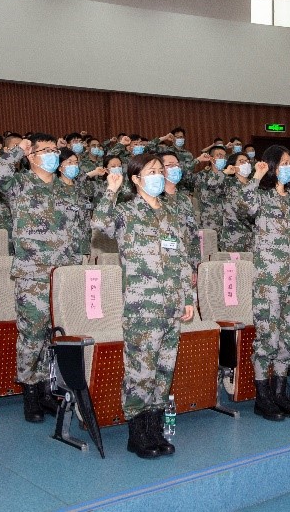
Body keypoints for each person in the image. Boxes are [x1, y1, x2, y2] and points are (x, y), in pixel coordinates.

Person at [92, 153, 195, 458]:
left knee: (164, 369)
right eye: (151, 172)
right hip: (142, 306)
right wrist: (111, 190)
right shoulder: (126, 212)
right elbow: (99, 223)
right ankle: (137, 434)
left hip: (171, 304)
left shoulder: (172, 213)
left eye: (161, 171)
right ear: (136, 179)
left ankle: (155, 429)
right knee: (141, 370)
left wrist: (188, 298)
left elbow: (182, 259)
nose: (158, 176)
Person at [0, 133, 83, 422]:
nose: (53, 154)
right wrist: (18, 149)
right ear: (31, 156)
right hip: (32, 274)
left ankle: (46, 390)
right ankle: (30, 392)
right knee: (32, 336)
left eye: (55, 150)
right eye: (46, 150)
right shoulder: (19, 184)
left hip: (62, 275)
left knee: (53, 336)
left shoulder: (67, 189)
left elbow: (76, 233)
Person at [236, 145, 290, 421]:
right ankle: (262, 397)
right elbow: (244, 205)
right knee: (268, 337)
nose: (289, 167)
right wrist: (256, 176)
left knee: (287, 337)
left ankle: (279, 392)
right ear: (273, 167)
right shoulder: (262, 197)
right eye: (284, 163)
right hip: (269, 280)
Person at [157, 150, 200, 280]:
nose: (175, 168)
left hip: (184, 263)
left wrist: (195, 266)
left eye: (177, 165)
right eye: (170, 165)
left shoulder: (184, 199)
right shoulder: (153, 199)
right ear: (159, 170)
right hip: (160, 265)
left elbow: (193, 234)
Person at [219, 152, 255, 252]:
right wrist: (226, 172)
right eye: (241, 162)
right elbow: (212, 183)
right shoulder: (228, 182)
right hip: (232, 236)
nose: (245, 164)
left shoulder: (254, 184)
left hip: (252, 235)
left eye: (247, 162)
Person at [187, 145, 228, 232]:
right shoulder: (202, 176)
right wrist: (197, 160)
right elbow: (183, 174)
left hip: (229, 224)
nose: (223, 158)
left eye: (224, 156)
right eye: (219, 155)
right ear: (211, 158)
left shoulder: (229, 176)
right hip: (209, 223)